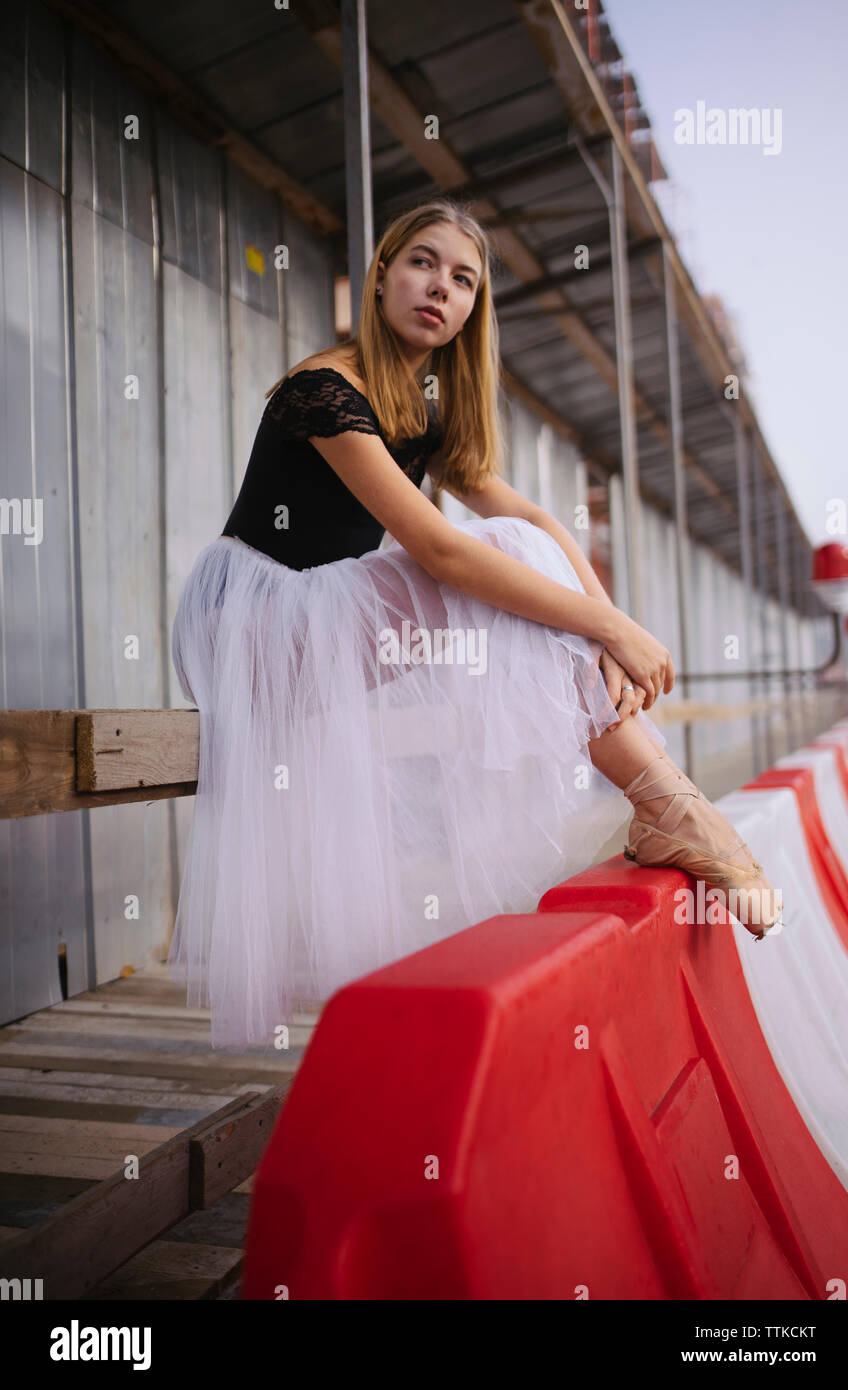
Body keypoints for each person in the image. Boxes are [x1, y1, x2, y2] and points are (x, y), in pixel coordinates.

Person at [170, 197, 782, 1051]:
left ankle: (666, 804)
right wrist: (613, 632)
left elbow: (532, 522)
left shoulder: (426, 407)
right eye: (422, 263)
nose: (440, 290)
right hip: (252, 622)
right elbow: (441, 552)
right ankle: (669, 805)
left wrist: (609, 622)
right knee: (491, 555)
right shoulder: (326, 390)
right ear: (381, 274)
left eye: (463, 281)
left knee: (521, 547)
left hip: (323, 617)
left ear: (471, 313)